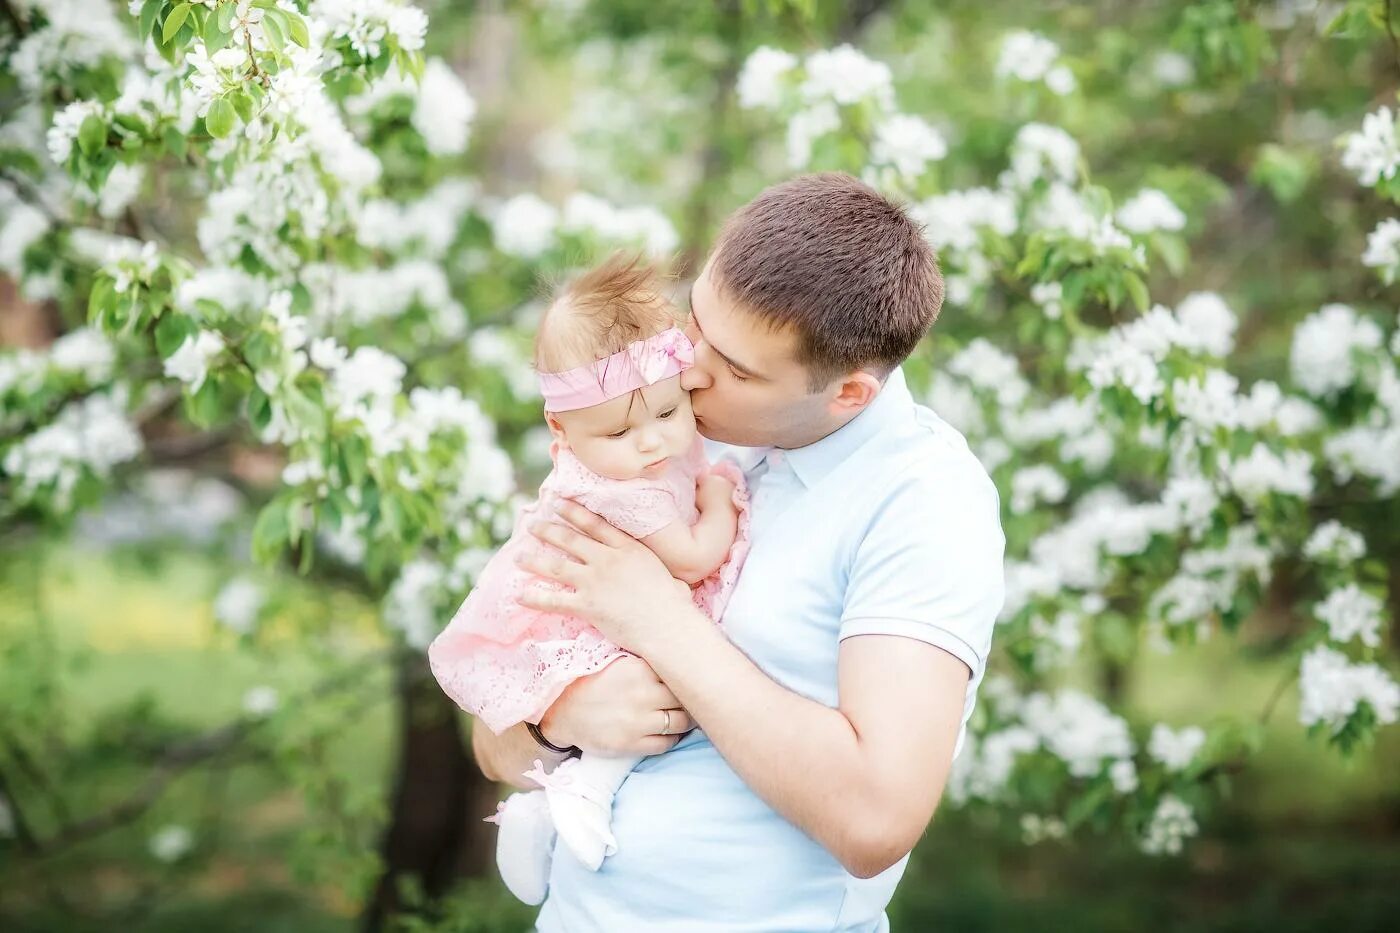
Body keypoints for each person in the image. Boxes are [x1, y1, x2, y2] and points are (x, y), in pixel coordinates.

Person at [474, 172, 1006, 931]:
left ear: (848, 394)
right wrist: (559, 718)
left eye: (738, 367)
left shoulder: (923, 502)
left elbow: (875, 818)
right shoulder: (672, 437)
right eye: (695, 324)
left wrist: (661, 622)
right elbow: (492, 730)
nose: (687, 370)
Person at [428, 255, 750, 904]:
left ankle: (549, 808)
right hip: (588, 624)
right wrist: (720, 501)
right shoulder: (615, 488)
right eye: (620, 430)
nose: (652, 443)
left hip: (613, 610)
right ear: (561, 429)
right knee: (641, 697)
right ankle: (581, 793)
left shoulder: (636, 451)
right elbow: (690, 558)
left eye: (667, 412)